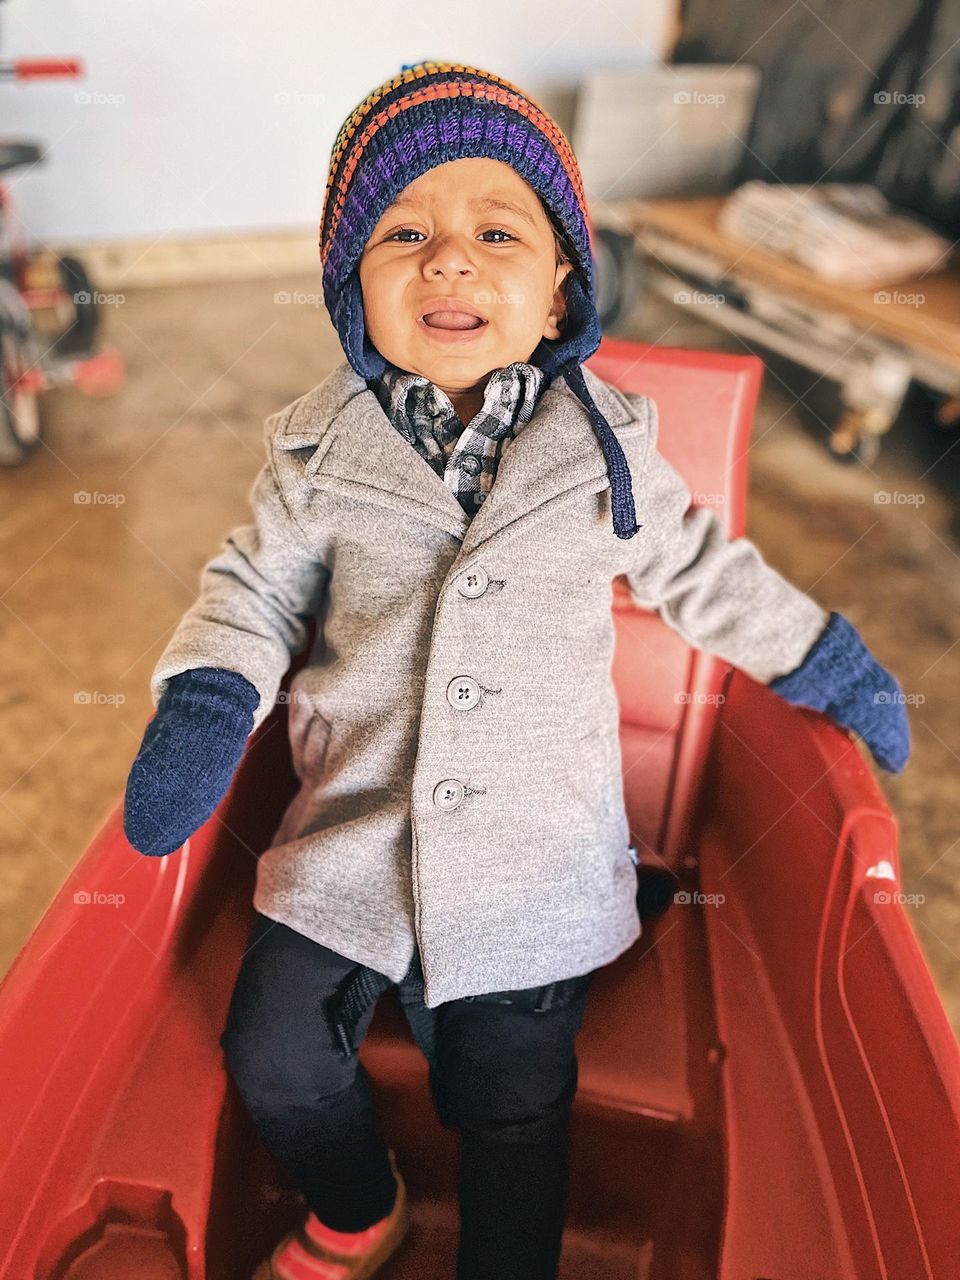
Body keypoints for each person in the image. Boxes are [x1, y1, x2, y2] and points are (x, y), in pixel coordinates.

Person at [123, 60, 910, 1280]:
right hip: (354, 837)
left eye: (497, 230)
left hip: (535, 861)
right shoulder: (315, 457)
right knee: (272, 1045)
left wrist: (827, 661)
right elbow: (255, 588)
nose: (449, 259)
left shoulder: (607, 455)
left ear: (556, 295)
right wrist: (211, 692)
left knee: (512, 1102)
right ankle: (355, 1205)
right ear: (352, 289)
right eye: (404, 233)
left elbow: (704, 573)